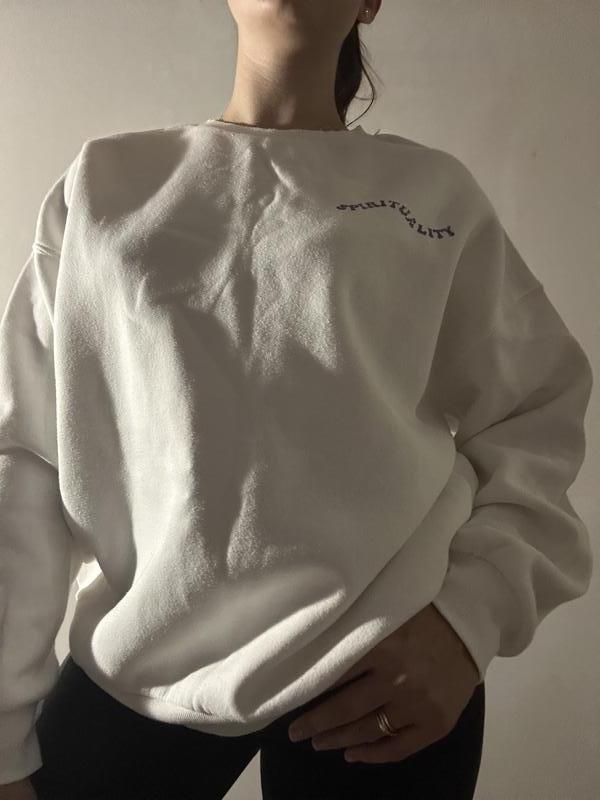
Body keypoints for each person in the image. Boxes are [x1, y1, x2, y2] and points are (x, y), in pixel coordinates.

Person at [0, 1, 593, 799]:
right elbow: (26, 456)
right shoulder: (105, 183)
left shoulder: (433, 195)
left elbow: (536, 408)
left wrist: (468, 619)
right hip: (140, 662)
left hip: (384, 671)